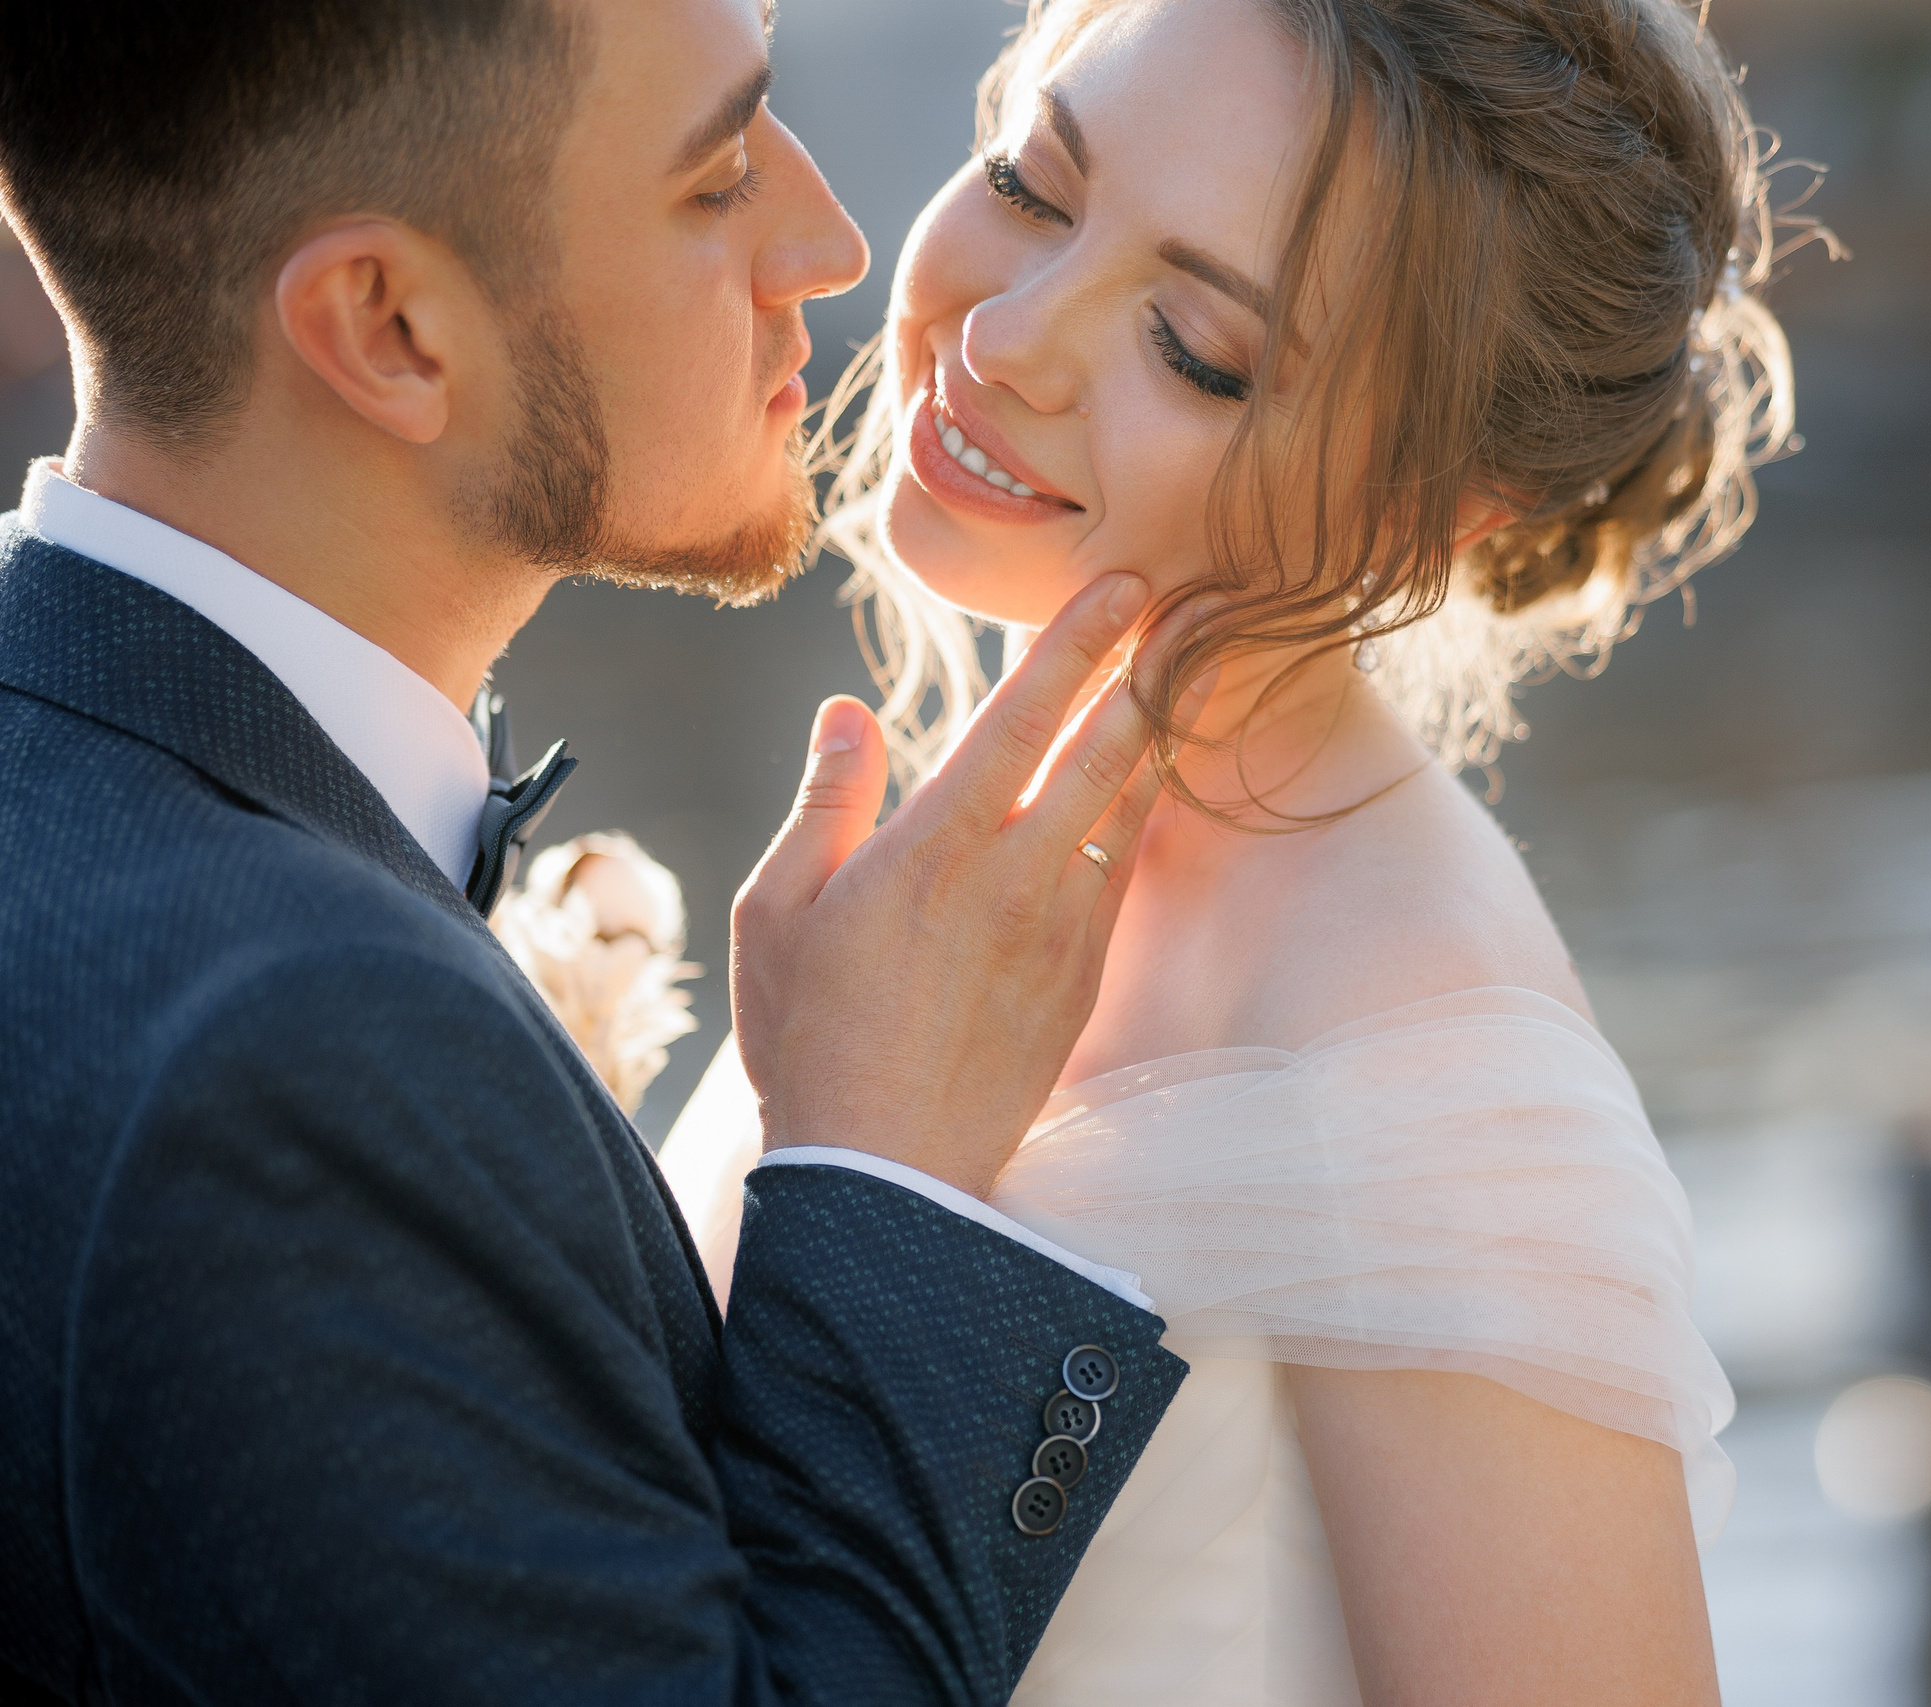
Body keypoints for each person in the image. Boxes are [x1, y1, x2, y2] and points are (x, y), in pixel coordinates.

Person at [0, 1, 1206, 1701]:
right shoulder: (291, 1059)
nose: (830, 241)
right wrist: (889, 1176)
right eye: (717, 176)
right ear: (391, 327)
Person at [665, 0, 1804, 1700]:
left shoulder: (1423, 1074)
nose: (1009, 337)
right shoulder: (971, 856)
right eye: (1030, 184)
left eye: (1194, 347)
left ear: (1433, 509)